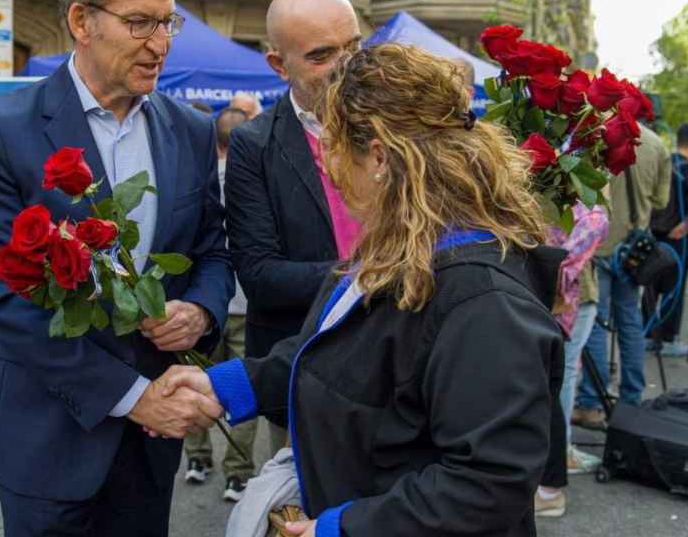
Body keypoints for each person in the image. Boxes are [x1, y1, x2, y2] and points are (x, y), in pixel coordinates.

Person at [162, 43, 563, 537]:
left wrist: (341, 529)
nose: (326, 164)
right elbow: (340, 358)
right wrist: (228, 387)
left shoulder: (482, 298)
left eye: (331, 145)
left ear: (377, 156)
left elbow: (487, 482)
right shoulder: (402, 249)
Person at [0, 0, 233, 534]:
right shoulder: (1, 130)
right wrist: (135, 398)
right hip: (48, 442)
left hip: (150, 451)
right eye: (140, 23)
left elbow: (213, 250)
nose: (160, 45)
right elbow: (7, 304)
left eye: (167, 22)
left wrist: (200, 310)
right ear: (82, 20)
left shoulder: (192, 128)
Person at [224, 0, 363, 459]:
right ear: (279, 65)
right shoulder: (254, 145)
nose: (347, 65)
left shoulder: (398, 124)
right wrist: (372, 274)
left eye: (355, 46)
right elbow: (261, 275)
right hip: (305, 369)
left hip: (404, 368)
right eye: (323, 55)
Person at [572, 125, 670, 430]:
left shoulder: (597, 135)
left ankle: (591, 403)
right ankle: (631, 400)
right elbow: (661, 201)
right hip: (633, 250)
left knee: (597, 326)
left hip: (598, 244)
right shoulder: (656, 145)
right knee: (630, 322)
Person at [182, 106, 255, 501]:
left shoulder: (196, 180)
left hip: (202, 305)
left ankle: (197, 459)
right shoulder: (257, 180)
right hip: (246, 302)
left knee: (196, 383)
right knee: (241, 387)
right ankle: (238, 473)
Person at [536, 202, 609, 517]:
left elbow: (598, 218)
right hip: (558, 297)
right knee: (558, 378)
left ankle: (556, 466)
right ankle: (555, 463)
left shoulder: (580, 194)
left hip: (566, 299)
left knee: (558, 379)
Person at [644, 121, 688, 357]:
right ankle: (668, 341)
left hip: (654, 232)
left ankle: (649, 335)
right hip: (677, 237)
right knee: (674, 287)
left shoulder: (664, 161)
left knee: (650, 284)